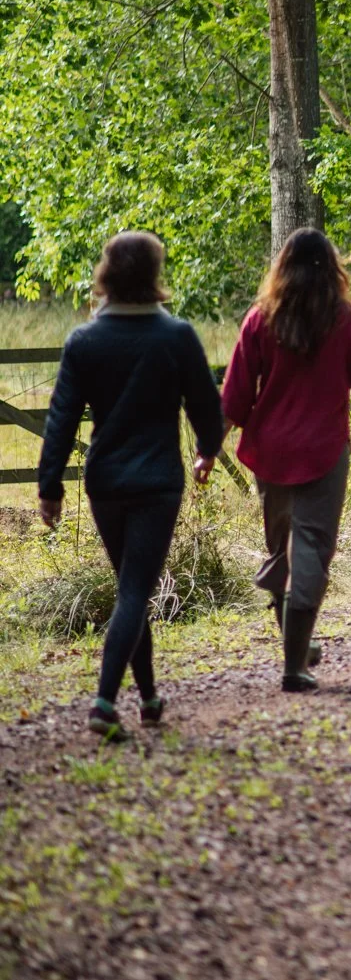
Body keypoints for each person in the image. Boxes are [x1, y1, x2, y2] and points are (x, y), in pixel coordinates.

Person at [36, 232, 224, 740]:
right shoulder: (176, 336)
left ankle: (148, 698)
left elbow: (61, 420)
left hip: (106, 483)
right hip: (158, 482)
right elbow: (206, 407)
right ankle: (103, 704)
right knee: (135, 590)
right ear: (153, 275)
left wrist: (50, 486)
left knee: (131, 589)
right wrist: (208, 449)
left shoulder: (85, 341)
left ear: (107, 275)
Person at [220, 229, 351, 692]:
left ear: (282, 266)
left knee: (283, 549)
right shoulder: (345, 319)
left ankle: (296, 645)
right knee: (312, 547)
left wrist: (207, 449)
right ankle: (294, 665)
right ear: (333, 268)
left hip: (270, 451)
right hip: (323, 450)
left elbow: (236, 392)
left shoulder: (262, 318)